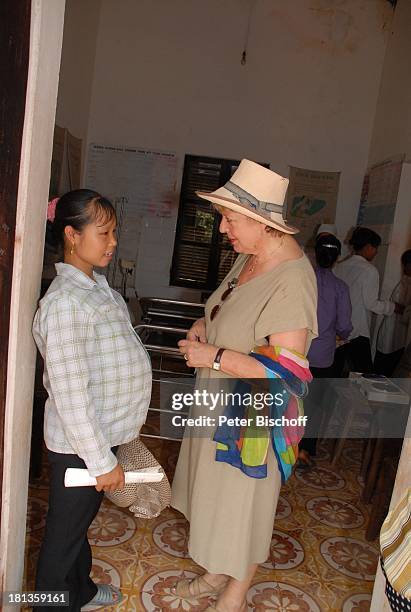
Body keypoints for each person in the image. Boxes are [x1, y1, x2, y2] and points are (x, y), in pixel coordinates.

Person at [170, 160, 318, 612]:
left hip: (251, 418)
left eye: (230, 219)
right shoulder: (249, 258)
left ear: (262, 223)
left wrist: (213, 356)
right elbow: (227, 312)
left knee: (244, 506)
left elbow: (289, 371)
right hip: (217, 402)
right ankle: (218, 571)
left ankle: (236, 589)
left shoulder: (293, 280)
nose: (222, 229)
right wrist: (203, 325)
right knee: (216, 500)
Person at [32, 189, 152, 611]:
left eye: (114, 232)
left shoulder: (97, 288)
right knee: (61, 540)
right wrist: (101, 462)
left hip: (100, 440)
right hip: (81, 449)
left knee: (76, 527)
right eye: (104, 233)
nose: (113, 241)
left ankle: (78, 592)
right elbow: (69, 393)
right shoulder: (65, 303)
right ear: (71, 235)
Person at [298, 234, 352, 467]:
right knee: (314, 404)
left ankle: (282, 444)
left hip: (296, 350)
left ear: (315, 255)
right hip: (322, 356)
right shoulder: (340, 287)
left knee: (290, 398)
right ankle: (305, 450)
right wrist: (342, 333)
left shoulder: (302, 280)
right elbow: (344, 326)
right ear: (337, 258)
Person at [334, 227, 401, 374]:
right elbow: (371, 304)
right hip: (357, 331)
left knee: (337, 373)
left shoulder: (339, 267)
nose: (376, 252)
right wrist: (392, 307)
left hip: (338, 329)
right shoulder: (369, 270)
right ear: (369, 247)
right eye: (375, 248)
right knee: (365, 375)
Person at [375, 249, 411, 376]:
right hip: (392, 335)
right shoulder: (404, 283)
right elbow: (401, 309)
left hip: (399, 338)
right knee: (384, 372)